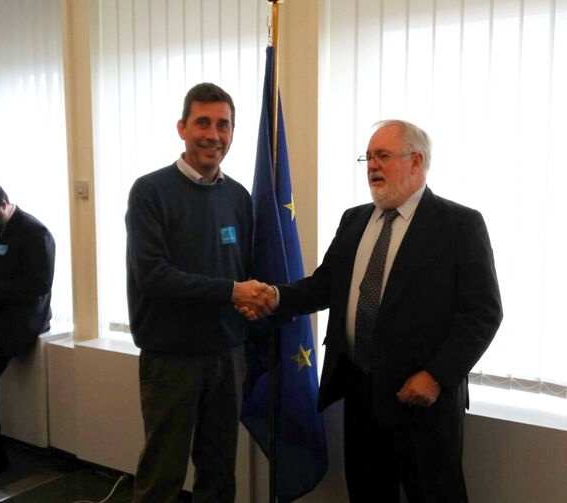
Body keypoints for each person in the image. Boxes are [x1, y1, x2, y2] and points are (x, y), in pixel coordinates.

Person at [238, 120, 503, 502]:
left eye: (383, 156)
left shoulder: (459, 225)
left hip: (421, 400)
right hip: (360, 393)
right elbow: (326, 285)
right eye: (368, 157)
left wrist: (436, 376)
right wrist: (276, 297)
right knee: (367, 494)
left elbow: (483, 313)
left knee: (435, 494)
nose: (372, 165)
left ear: (416, 162)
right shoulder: (354, 219)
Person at [126, 83, 271, 503]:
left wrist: (250, 300)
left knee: (219, 472)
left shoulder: (239, 196)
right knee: (162, 475)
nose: (213, 135)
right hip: (171, 358)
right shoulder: (150, 192)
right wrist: (232, 292)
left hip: (228, 355)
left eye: (223, 125)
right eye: (202, 123)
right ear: (182, 128)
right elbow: (153, 277)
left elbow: (242, 270)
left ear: (232, 132)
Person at [0, 184, 56, 476]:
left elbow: (39, 285)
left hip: (24, 320)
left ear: (3, 205)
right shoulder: (1, 230)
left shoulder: (35, 233)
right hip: (1, 313)